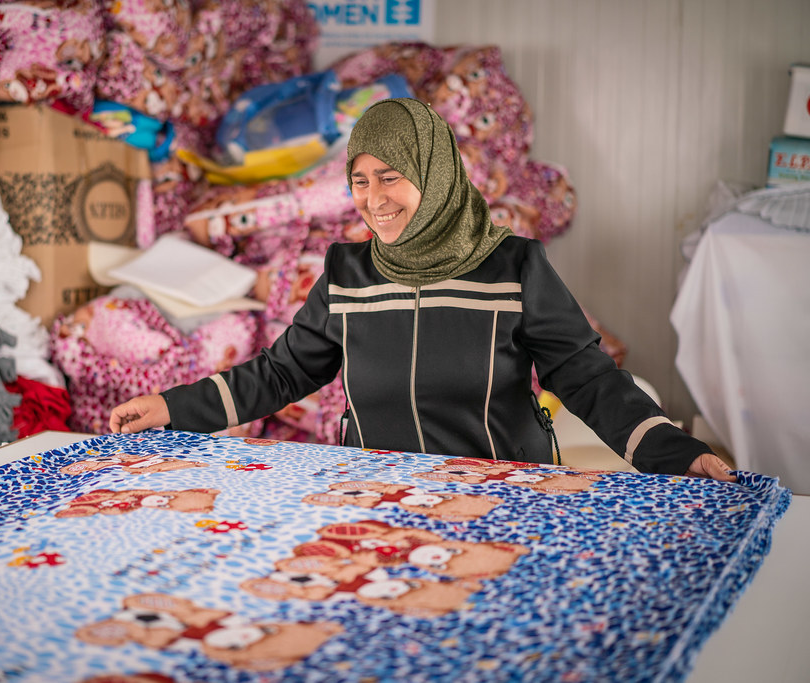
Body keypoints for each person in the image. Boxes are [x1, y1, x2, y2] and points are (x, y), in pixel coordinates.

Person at [110, 98, 735, 482]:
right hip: (376, 500)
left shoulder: (513, 267)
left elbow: (586, 377)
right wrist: (171, 408)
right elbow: (280, 374)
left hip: (502, 498)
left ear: (432, 173)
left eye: (391, 177)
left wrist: (673, 451)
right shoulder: (347, 275)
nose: (374, 201)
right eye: (359, 181)